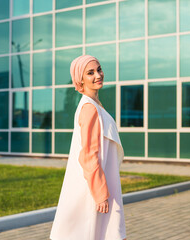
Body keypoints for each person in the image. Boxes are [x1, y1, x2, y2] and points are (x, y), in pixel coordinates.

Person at [50, 55, 127, 240]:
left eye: (99, 69)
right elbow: (88, 154)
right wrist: (101, 193)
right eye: (90, 72)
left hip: (101, 183)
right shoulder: (89, 108)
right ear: (80, 80)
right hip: (96, 188)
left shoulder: (94, 106)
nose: (98, 75)